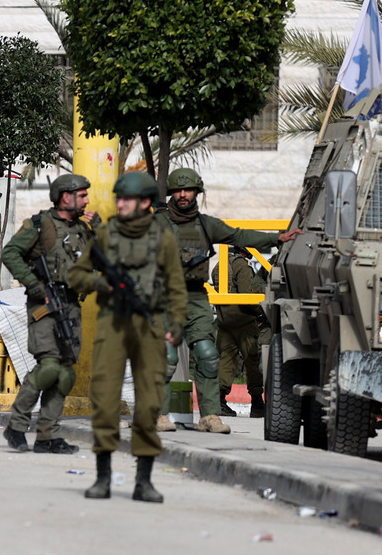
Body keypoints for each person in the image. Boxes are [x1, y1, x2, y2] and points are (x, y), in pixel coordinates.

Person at [67, 171, 186, 502]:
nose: (119, 204)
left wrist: (176, 325)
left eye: (126, 199)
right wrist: (101, 284)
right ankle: (103, 477)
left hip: (149, 325)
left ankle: (143, 481)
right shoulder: (105, 235)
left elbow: (176, 287)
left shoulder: (163, 238)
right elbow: (76, 273)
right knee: (104, 399)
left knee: (149, 402)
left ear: (145, 203)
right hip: (112, 323)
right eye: (118, 198)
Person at [156, 168, 299, 434]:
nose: (183, 195)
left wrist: (275, 238)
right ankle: (158, 414)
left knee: (208, 356)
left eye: (188, 190)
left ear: (196, 192)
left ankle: (210, 415)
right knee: (166, 356)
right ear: (171, 193)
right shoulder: (157, 223)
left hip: (197, 296)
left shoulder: (206, 224)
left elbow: (239, 236)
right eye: (178, 190)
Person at [0, 174, 98, 453]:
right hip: (44, 304)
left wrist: (100, 230)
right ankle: (16, 425)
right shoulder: (40, 224)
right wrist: (34, 284)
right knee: (50, 366)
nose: (87, 200)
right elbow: (10, 254)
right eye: (82, 195)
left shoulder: (83, 229)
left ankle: (48, 436)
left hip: (70, 304)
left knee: (65, 372)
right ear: (66, 197)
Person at [211, 247, 268, 417]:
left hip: (224, 320)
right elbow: (247, 296)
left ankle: (219, 401)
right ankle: (257, 404)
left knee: (226, 360)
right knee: (252, 359)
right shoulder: (242, 266)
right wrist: (261, 311)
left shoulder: (220, 265)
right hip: (243, 320)